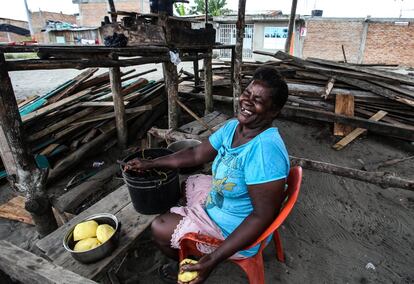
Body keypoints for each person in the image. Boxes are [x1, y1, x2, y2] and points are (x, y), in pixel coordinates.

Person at [126, 66, 290, 283]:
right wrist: (151, 163)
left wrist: (213, 259)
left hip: (235, 228)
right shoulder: (234, 128)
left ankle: (187, 263)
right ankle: (191, 233)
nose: (247, 101)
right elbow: (196, 154)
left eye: (258, 100)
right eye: (247, 93)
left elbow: (262, 217)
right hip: (224, 201)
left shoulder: (264, 152)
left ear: (273, 111)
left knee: (159, 228)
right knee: (189, 182)